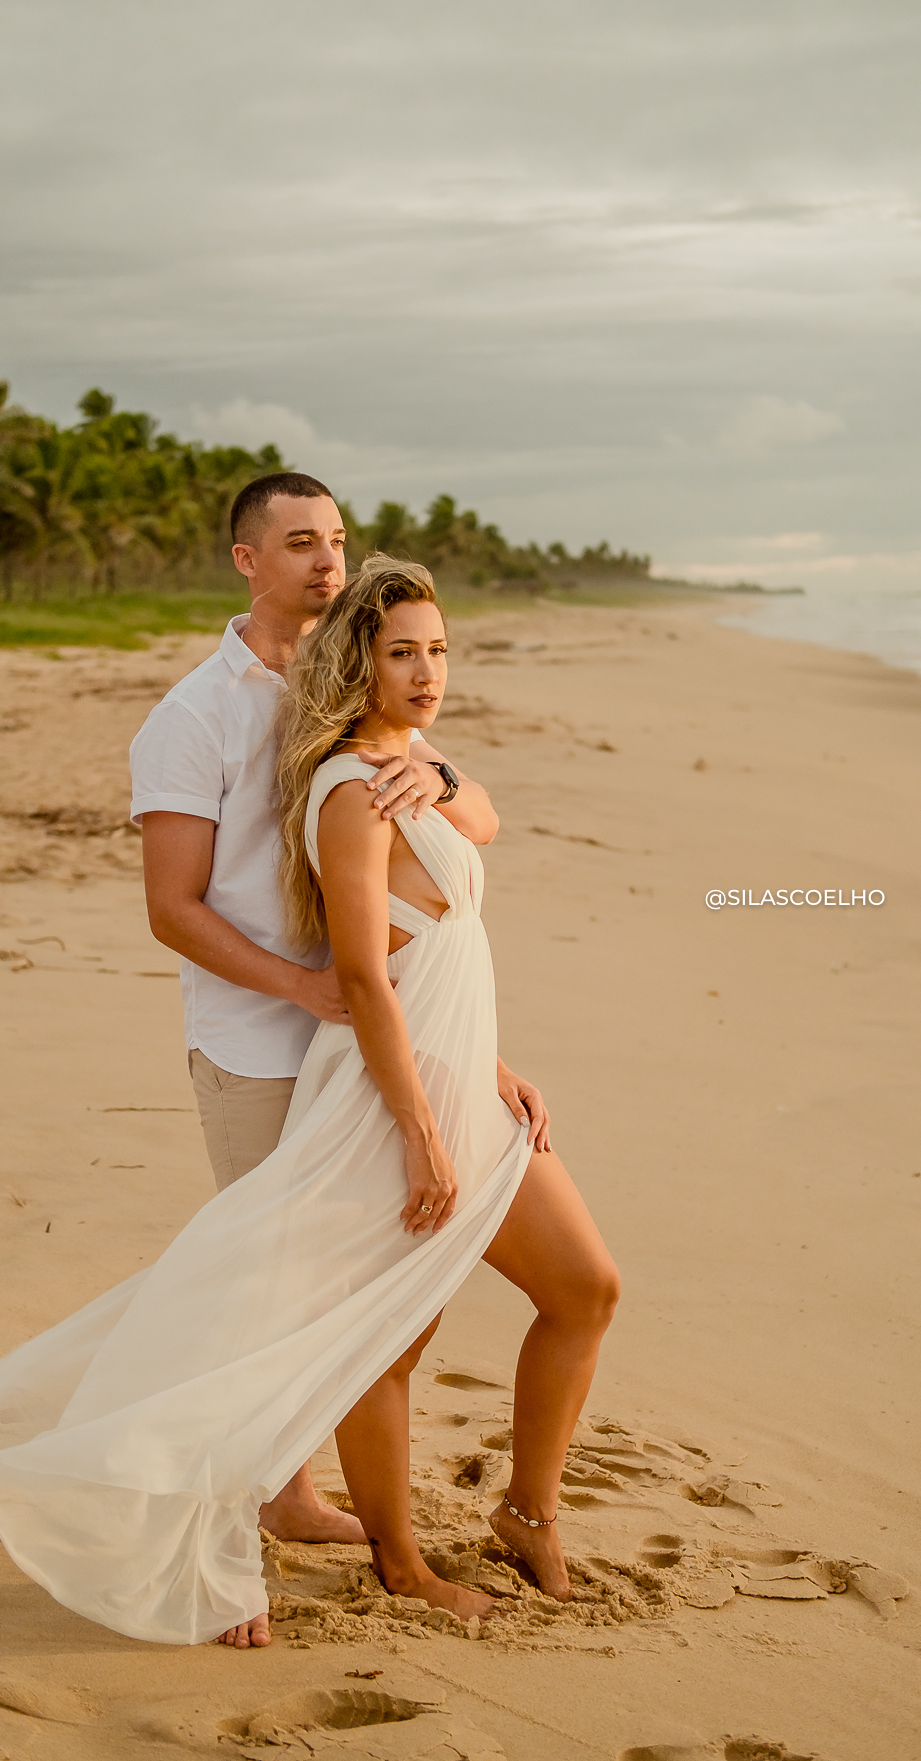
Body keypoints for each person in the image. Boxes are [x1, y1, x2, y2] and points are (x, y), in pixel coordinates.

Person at [0, 554, 620, 1651]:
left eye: (438, 650)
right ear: (357, 659)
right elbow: (363, 975)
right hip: (392, 1098)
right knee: (383, 1341)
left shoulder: (415, 764)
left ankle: (525, 1511)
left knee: (587, 1287)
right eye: (401, 652)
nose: (426, 670)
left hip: (466, 1071)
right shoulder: (349, 789)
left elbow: (466, 867)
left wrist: (488, 1057)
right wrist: (422, 1135)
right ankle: (402, 1564)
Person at [127, 473, 541, 1604]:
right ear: (245, 561)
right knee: (271, 1297)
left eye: (339, 541)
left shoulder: (354, 688)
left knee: (336, 1296)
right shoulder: (195, 715)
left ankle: (286, 1493)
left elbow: (473, 829)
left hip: (377, 1032)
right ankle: (208, 1557)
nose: (327, 561)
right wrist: (304, 991)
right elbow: (173, 906)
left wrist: (445, 771)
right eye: (300, 542)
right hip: (263, 1042)